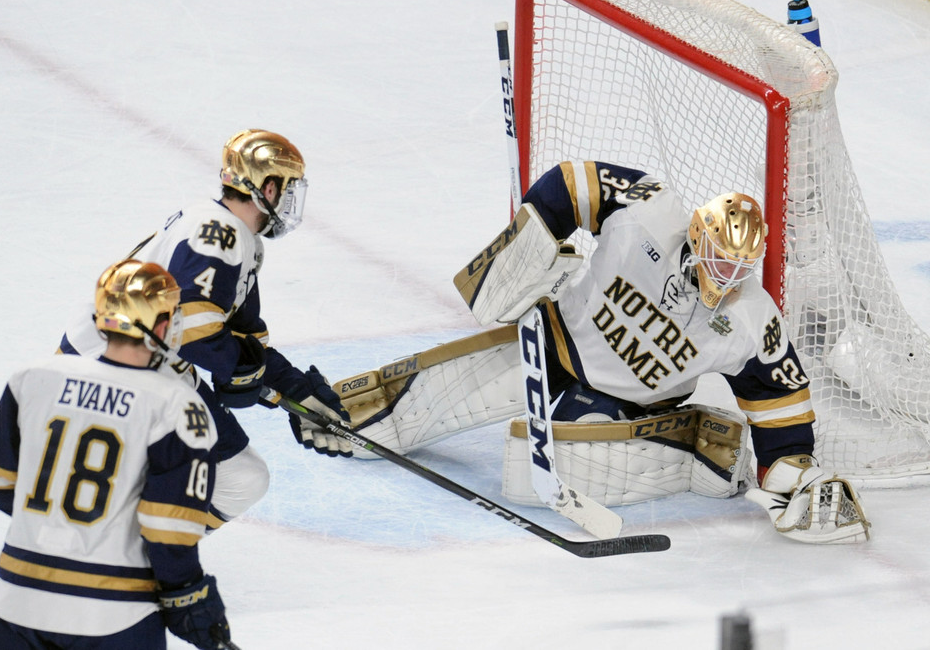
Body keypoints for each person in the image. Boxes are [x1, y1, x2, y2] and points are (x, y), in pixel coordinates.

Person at [0, 130, 351, 649]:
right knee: (105, 497)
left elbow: (241, 342)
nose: (290, 199)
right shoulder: (217, 233)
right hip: (111, 366)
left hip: (158, 370)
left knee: (241, 477)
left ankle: (120, 567)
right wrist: (249, 377)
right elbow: (199, 330)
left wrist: (293, 392)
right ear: (263, 186)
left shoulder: (235, 238)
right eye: (286, 186)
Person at [337, 160, 871, 544]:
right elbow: (572, 183)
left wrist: (790, 467)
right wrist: (534, 243)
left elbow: (779, 394)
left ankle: (688, 444)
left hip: (627, 401)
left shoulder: (752, 318)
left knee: (534, 471)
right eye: (719, 259)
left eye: (739, 267)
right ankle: (334, 415)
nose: (726, 276)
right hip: (554, 341)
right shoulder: (648, 212)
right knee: (415, 400)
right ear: (697, 233)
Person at [0, 259, 231, 649]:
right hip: (114, 616)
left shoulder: (34, 378)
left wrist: (59, 528)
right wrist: (188, 595)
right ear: (159, 325)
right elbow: (168, 531)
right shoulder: (178, 407)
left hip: (14, 605)